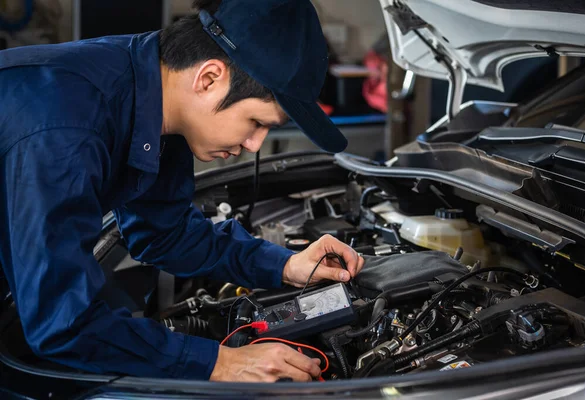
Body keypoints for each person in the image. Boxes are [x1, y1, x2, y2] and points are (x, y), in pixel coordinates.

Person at [0, 0, 365, 382]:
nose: (255, 144)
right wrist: (218, 362)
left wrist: (285, 265)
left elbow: (164, 234)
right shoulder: (64, 127)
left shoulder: (159, 93)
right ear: (209, 78)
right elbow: (62, 324)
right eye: (256, 122)